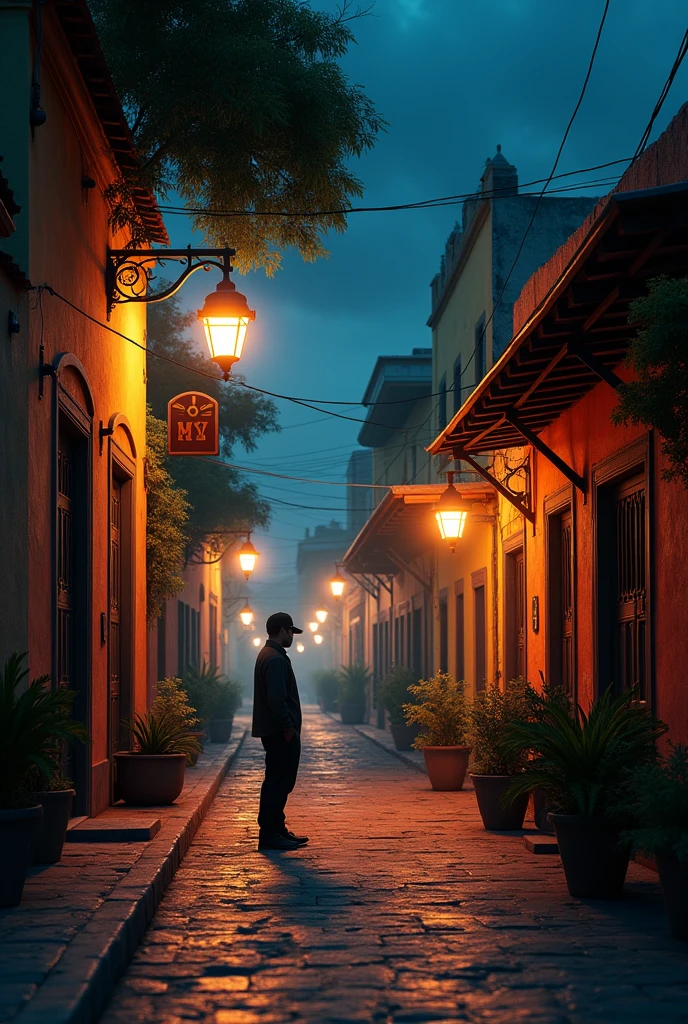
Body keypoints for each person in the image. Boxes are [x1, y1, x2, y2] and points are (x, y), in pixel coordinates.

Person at [252, 612, 309, 851]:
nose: (292, 637)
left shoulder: (270, 655)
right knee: (278, 781)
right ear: (283, 630)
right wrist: (287, 728)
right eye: (291, 632)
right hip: (278, 732)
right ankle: (270, 833)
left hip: (275, 731)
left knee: (279, 781)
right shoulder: (274, 658)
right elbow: (277, 699)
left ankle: (277, 829)